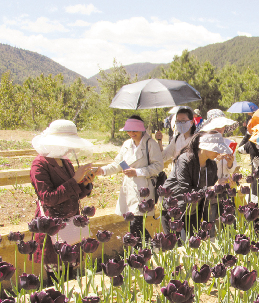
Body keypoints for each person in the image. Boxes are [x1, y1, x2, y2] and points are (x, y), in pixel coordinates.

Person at [30, 119, 95, 281]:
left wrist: (84, 184)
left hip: (71, 223)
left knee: (71, 276)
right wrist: (74, 180)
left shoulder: (65, 162)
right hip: (52, 227)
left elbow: (73, 194)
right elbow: (48, 198)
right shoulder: (40, 165)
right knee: (58, 279)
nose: (67, 147)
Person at [96, 115, 163, 243]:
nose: (131, 133)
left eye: (135, 131)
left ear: (142, 130)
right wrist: (102, 170)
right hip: (129, 188)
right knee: (134, 223)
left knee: (135, 224)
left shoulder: (150, 144)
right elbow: (117, 163)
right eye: (129, 131)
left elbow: (158, 166)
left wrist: (137, 172)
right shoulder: (127, 144)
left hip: (144, 188)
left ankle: (151, 249)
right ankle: (148, 251)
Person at [161, 132, 233, 236]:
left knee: (193, 245)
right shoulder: (185, 160)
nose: (219, 153)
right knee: (175, 245)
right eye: (216, 149)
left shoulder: (211, 164)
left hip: (193, 210)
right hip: (174, 208)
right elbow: (186, 191)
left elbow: (211, 191)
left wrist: (224, 186)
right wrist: (211, 188)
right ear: (204, 147)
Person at [199, 109, 238, 182]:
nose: (219, 128)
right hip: (211, 183)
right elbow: (202, 165)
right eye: (217, 125)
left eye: (222, 124)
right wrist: (216, 159)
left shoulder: (230, 143)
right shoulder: (205, 144)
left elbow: (232, 170)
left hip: (226, 183)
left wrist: (230, 164)